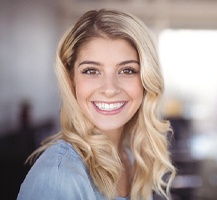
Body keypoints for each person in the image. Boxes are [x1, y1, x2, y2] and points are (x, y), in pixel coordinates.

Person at [17, 9, 176, 200]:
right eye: (91, 71)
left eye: (127, 70)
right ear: (71, 78)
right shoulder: (58, 177)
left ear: (145, 79)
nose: (109, 89)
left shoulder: (131, 159)